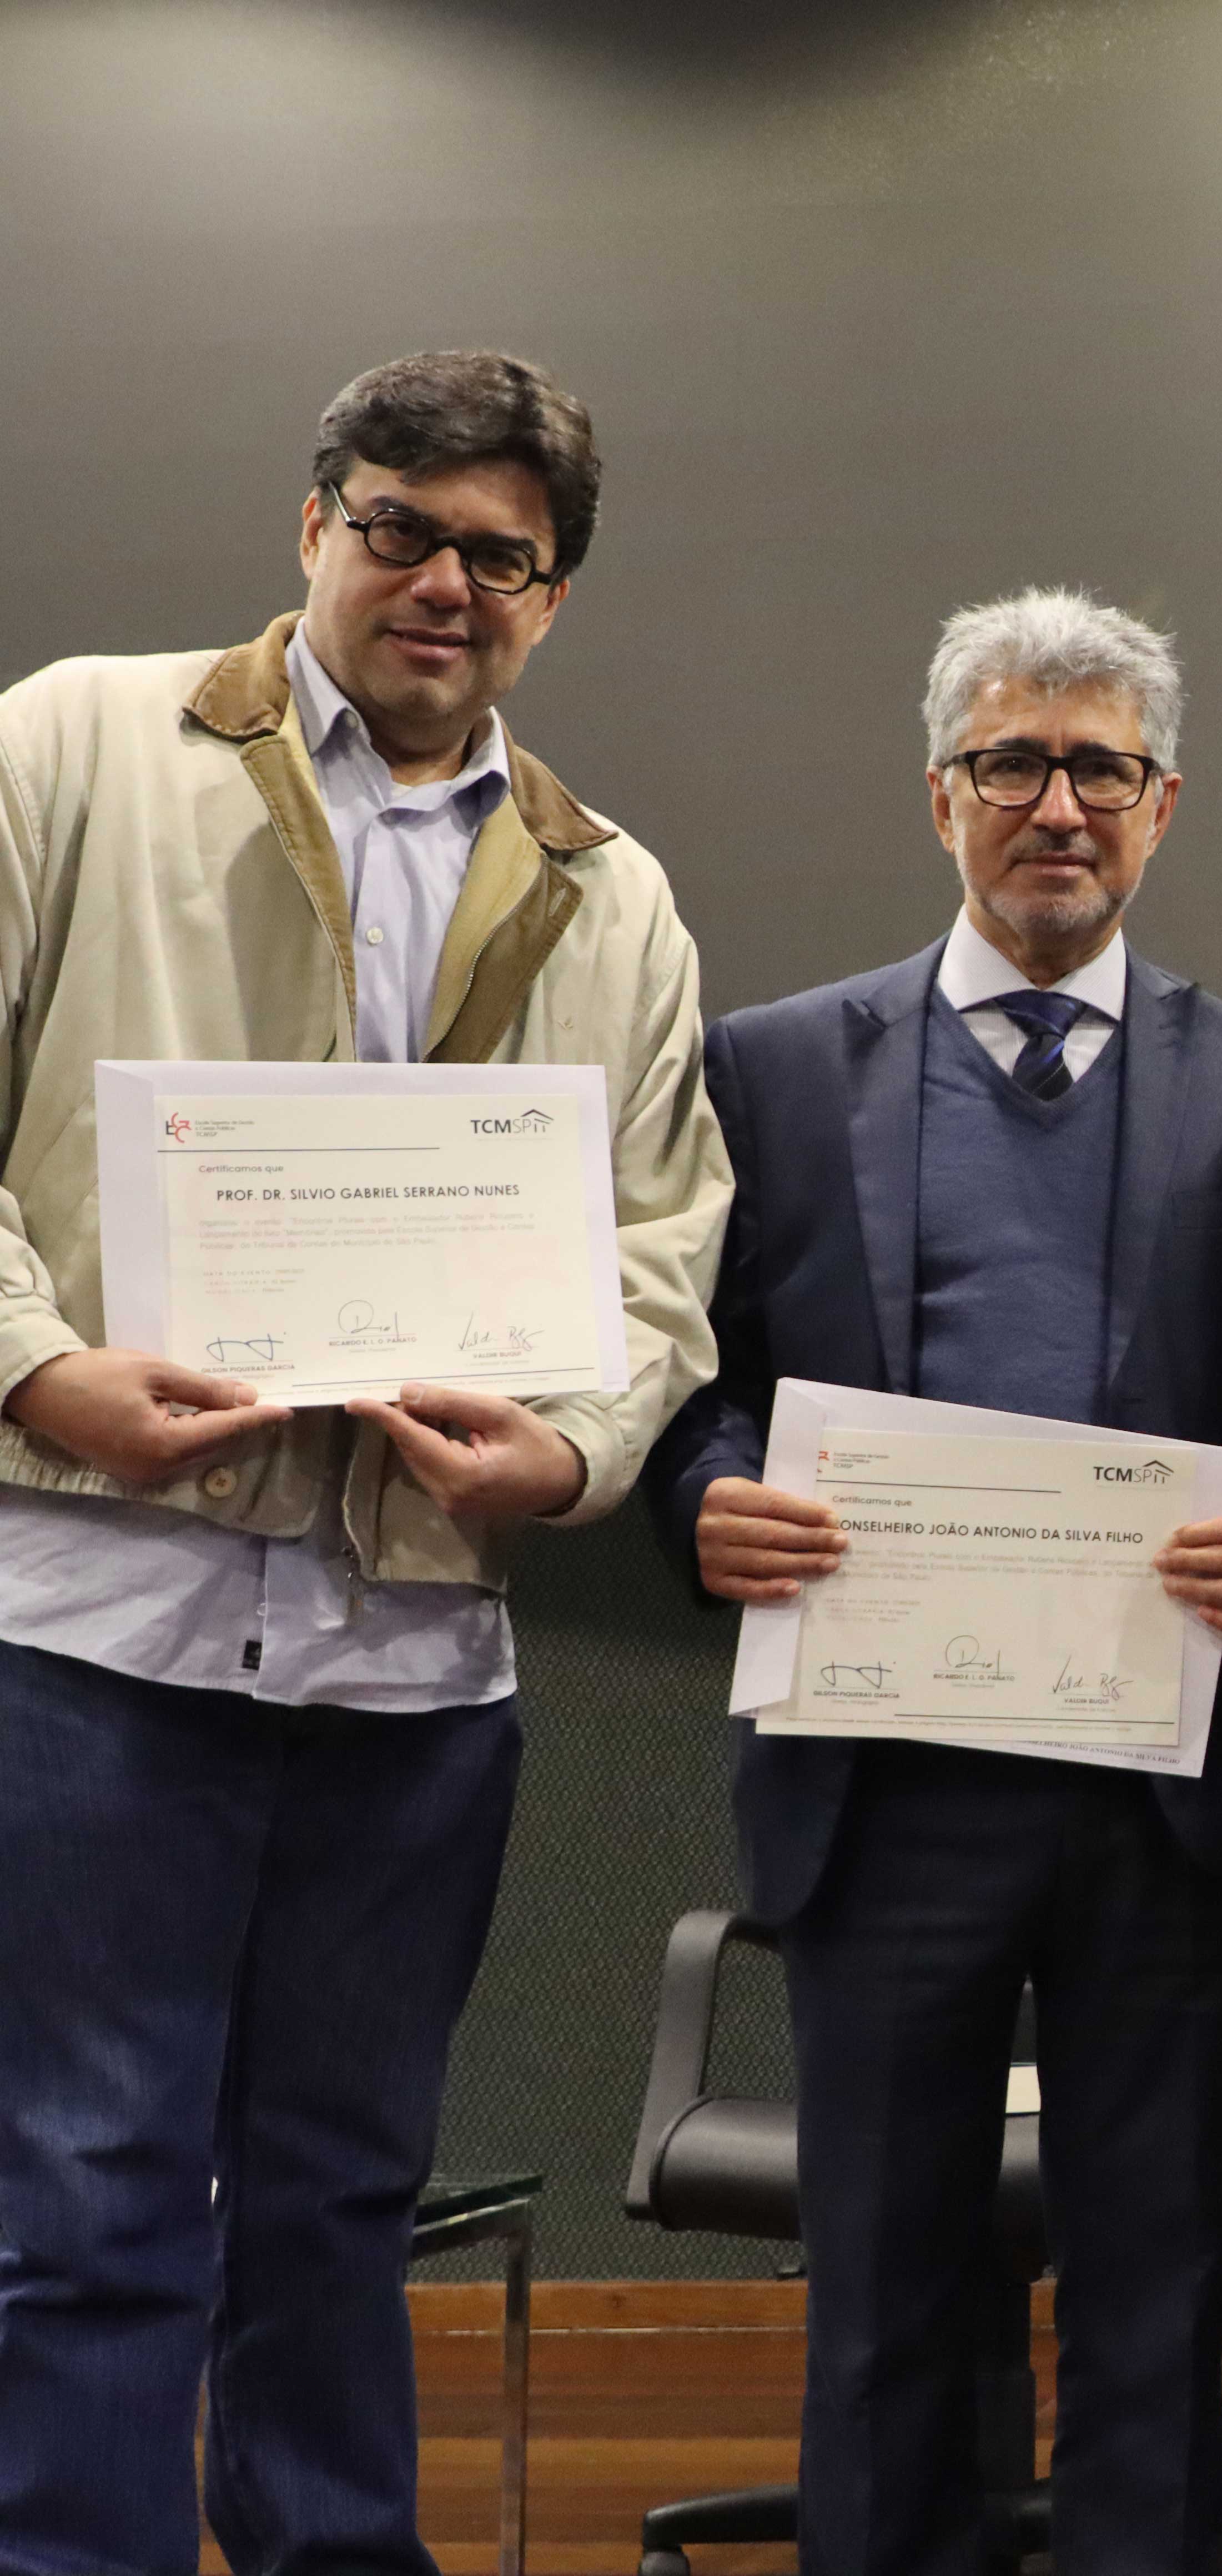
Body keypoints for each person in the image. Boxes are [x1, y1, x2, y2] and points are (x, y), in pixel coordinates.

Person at [0, 350, 726, 2576]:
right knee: (89, 2188)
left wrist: (570, 1454)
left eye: (501, 555)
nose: (444, 583)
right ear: (315, 526)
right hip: (98, 1621)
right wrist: (35, 1373)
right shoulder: (75, 745)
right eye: (401, 528)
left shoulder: (611, 892)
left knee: (340, 2194)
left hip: (409, 1667)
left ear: (552, 598)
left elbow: (662, 1257)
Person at [642, 590, 1222, 2574]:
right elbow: (681, 1373)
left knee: (1153, 2306)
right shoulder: (771, 1068)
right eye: (1013, 762)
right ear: (940, 795)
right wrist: (704, 1492)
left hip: (1158, 1787)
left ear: (1165, 805)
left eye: (1100, 767)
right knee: (883, 2312)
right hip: (881, 1782)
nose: (1057, 805)